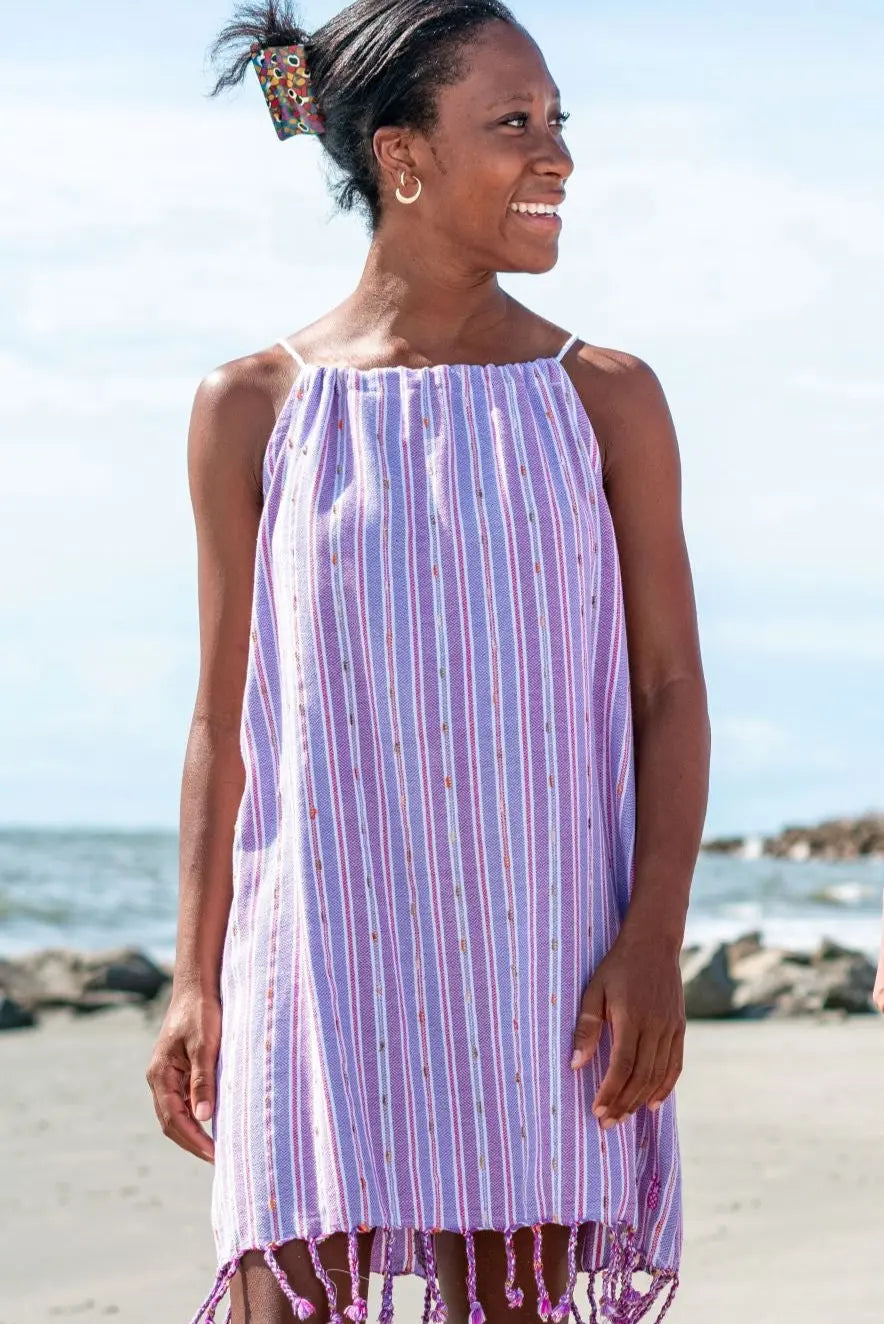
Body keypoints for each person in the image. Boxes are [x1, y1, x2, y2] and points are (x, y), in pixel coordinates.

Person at [145, 2, 711, 1321]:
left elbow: (667, 690)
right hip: (313, 965)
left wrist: (653, 939)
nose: (557, 154)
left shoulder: (604, 396)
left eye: (558, 120)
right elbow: (222, 720)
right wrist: (193, 979)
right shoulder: (255, 408)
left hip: (544, 965)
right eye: (514, 123)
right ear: (402, 155)